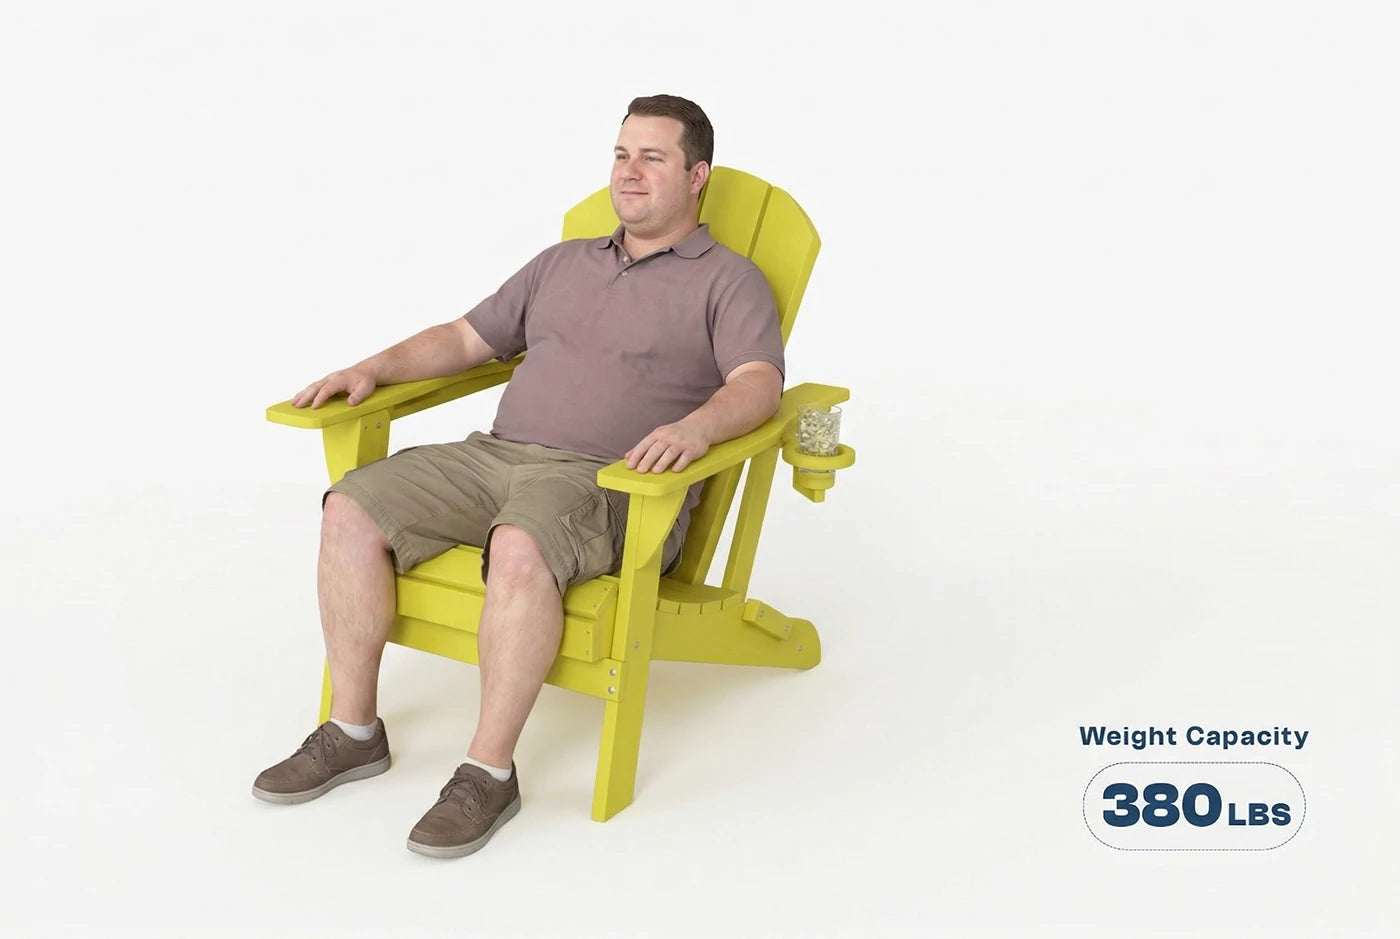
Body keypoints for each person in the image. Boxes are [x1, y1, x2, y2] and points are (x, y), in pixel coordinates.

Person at [251, 94, 786, 858]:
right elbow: (465, 338)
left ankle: (487, 771)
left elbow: (758, 382)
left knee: (520, 546)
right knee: (350, 508)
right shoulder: (562, 262)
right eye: (621, 154)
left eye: (653, 157)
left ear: (698, 176)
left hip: (607, 481)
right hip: (494, 456)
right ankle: (352, 730)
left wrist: (694, 428)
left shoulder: (729, 281)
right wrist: (370, 367)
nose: (629, 172)